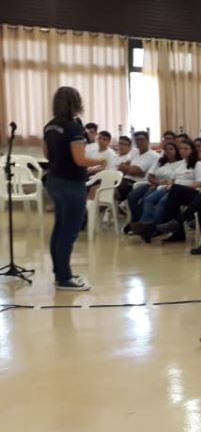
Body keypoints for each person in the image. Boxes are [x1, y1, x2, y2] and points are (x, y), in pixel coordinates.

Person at [43, 87, 107, 291]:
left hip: (54, 181)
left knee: (60, 227)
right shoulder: (73, 127)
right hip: (71, 184)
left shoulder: (50, 126)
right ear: (76, 102)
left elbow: (46, 154)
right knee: (69, 232)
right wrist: (100, 161)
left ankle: (60, 272)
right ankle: (64, 278)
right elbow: (79, 159)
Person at [131, 140, 201, 241]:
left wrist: (183, 185)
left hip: (188, 192)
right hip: (173, 188)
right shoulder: (182, 163)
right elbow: (173, 178)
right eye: (181, 149)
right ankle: (146, 223)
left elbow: (200, 183)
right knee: (150, 198)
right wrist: (170, 183)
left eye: (186, 149)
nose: (183, 151)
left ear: (192, 150)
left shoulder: (198, 164)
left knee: (163, 201)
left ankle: (154, 228)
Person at [115, 131, 157, 205]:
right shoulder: (134, 152)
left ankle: (113, 210)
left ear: (147, 141)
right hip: (125, 179)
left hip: (136, 182)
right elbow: (120, 166)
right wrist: (131, 169)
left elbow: (136, 171)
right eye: (137, 140)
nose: (139, 142)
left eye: (141, 140)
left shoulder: (152, 155)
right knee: (102, 187)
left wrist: (130, 169)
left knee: (112, 192)